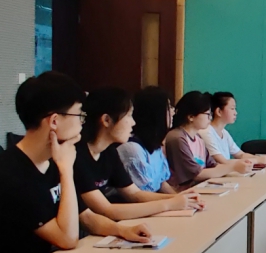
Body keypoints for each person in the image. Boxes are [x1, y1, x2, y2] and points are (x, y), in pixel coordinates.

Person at [0, 72, 152, 253]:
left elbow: (86, 217)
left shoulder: (54, 159)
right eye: (79, 115)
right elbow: (67, 238)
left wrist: (122, 231)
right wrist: (65, 169)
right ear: (54, 121)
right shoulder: (12, 173)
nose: (83, 122)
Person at [74, 88, 203, 221]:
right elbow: (107, 210)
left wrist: (179, 198)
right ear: (106, 120)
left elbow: (134, 194)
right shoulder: (78, 156)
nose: (133, 122)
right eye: (129, 116)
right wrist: (170, 204)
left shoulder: (109, 152)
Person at [165, 91, 253, 189]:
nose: (210, 118)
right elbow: (196, 174)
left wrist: (238, 166)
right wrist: (233, 167)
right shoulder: (177, 138)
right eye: (207, 114)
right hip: (183, 192)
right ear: (191, 117)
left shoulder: (198, 138)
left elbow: (213, 165)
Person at [117, 86, 177, 193]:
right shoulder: (132, 149)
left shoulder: (154, 144)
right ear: (155, 113)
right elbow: (142, 195)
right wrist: (177, 200)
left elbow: (161, 183)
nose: (173, 112)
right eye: (168, 108)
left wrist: (179, 197)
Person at [199, 92, 266, 166]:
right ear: (219, 111)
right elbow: (223, 162)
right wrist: (257, 160)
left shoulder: (224, 133)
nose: (235, 113)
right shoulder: (207, 132)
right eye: (232, 108)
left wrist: (260, 158)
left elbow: (240, 154)